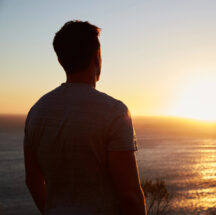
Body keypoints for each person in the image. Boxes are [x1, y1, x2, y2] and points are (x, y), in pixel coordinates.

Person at [23, 20, 147, 215]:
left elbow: (33, 181)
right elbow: (130, 195)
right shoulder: (115, 112)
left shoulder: (36, 112)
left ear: (61, 60)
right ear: (97, 56)